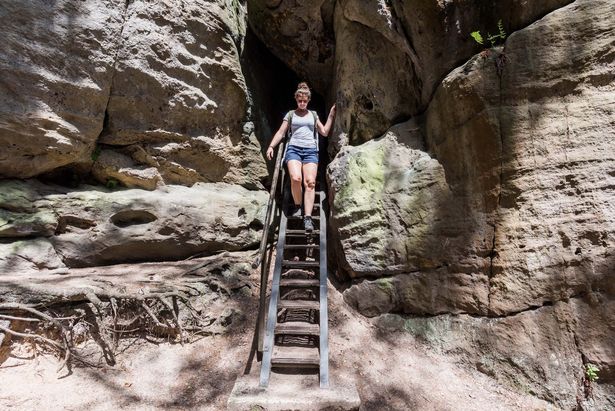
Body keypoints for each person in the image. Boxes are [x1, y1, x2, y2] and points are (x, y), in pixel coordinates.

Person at [266, 82, 336, 232]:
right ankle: (298, 205)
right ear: (296, 99)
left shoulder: (313, 115)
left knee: (310, 182)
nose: (302, 103)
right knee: (296, 178)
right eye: (300, 100)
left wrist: (330, 115)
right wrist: (272, 146)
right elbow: (281, 132)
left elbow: (323, 132)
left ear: (308, 100)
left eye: (305, 101)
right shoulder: (290, 114)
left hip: (311, 150)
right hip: (294, 150)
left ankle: (308, 218)